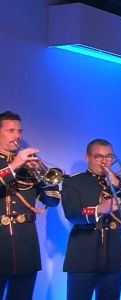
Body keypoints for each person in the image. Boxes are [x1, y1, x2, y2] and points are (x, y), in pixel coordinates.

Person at [61, 138, 121, 300]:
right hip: (82, 257)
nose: (105, 162)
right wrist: (100, 209)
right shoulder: (74, 182)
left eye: (109, 157)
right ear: (87, 157)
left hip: (113, 257)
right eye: (98, 157)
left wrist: (120, 186)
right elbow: (72, 214)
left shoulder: (120, 182)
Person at [0, 111, 60, 300]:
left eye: (19, 131)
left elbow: (53, 200)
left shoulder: (29, 165)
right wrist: (15, 165)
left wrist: (42, 178)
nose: (17, 136)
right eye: (11, 130)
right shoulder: (17, 163)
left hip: (26, 243)